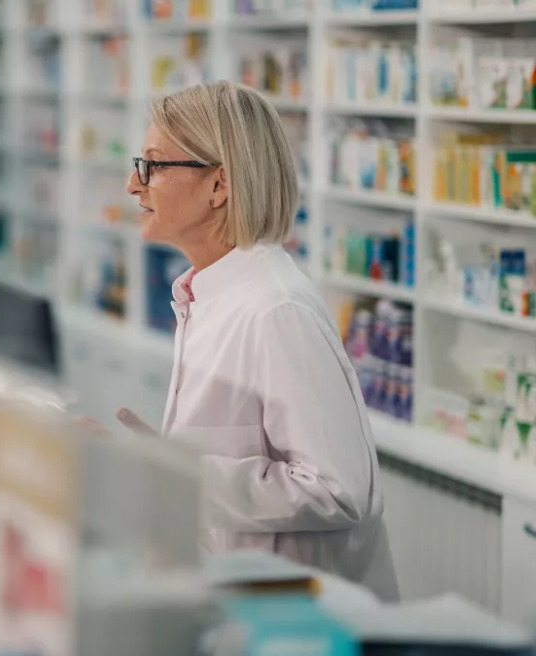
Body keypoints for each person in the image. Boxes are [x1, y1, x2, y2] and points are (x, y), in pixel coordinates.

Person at [125, 81, 399, 600]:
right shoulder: (206, 294)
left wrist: (177, 475)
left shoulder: (276, 310)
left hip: (306, 619)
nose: (133, 185)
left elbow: (336, 491)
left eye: (153, 166)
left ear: (220, 185)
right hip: (235, 595)